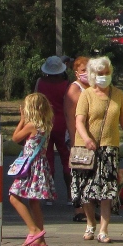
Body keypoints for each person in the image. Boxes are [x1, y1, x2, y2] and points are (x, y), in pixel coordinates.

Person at [72, 56, 123, 243]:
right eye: (100, 74)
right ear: (93, 75)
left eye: (107, 73)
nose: (104, 76)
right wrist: (86, 139)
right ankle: (90, 223)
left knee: (107, 191)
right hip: (86, 150)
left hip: (109, 149)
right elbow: (79, 121)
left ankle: (103, 229)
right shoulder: (86, 95)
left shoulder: (118, 95)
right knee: (86, 190)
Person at [8, 93, 56, 246]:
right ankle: (40, 238)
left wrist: (22, 120)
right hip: (40, 165)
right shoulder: (46, 125)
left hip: (30, 167)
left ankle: (33, 229)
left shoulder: (31, 125)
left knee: (14, 197)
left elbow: (15, 138)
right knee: (34, 201)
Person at [35, 56, 71, 188]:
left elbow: (35, 102)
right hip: (63, 124)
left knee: (48, 158)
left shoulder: (40, 82)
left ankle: (49, 192)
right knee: (66, 158)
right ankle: (69, 194)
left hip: (45, 123)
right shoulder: (67, 84)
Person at [65, 56, 90, 221]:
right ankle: (79, 209)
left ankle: (88, 209)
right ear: (76, 73)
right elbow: (69, 117)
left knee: (89, 173)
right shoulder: (75, 89)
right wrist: (74, 140)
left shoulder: (93, 87)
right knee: (79, 173)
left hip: (89, 138)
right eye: (83, 71)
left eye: (89, 70)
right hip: (77, 138)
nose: (86, 73)